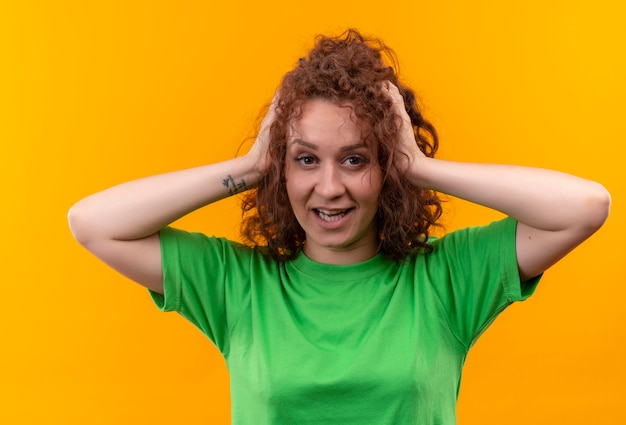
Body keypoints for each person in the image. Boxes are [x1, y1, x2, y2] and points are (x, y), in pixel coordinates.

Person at [68, 29, 610, 424]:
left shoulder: (445, 280)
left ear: (386, 167)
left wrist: (419, 167)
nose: (329, 187)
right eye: (306, 159)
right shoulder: (238, 286)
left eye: (355, 159)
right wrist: (252, 165)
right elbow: (92, 223)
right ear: (282, 167)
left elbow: (585, 206)